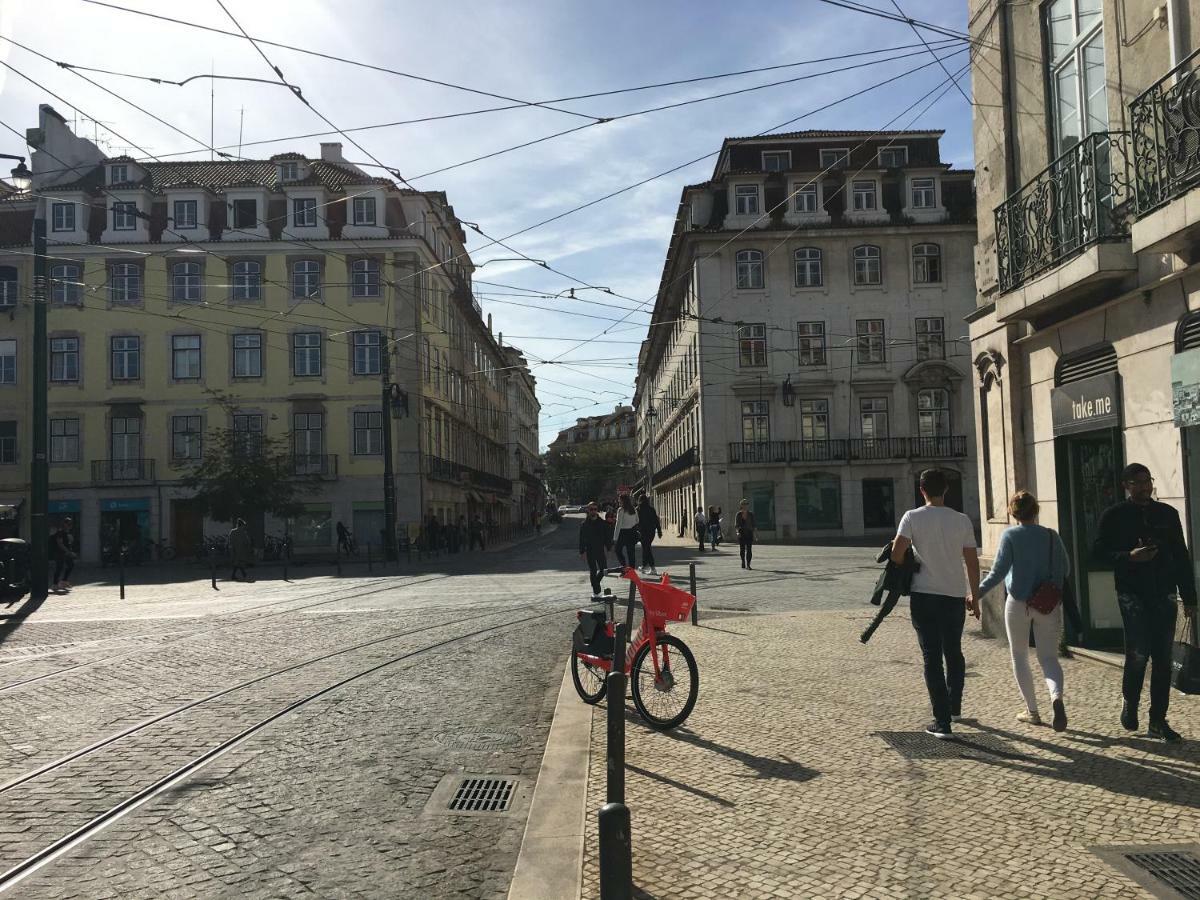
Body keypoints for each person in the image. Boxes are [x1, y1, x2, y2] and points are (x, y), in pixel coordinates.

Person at [1094, 463, 1197, 742]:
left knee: (1163, 658)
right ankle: (1130, 701)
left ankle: (1158, 720)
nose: (1144, 487)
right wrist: (1129, 556)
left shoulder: (1167, 514)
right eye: (1137, 482)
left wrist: (1190, 597)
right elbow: (1098, 553)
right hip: (1132, 593)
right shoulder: (1114, 515)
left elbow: (1181, 555)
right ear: (1126, 485)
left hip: (1164, 591)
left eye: (1147, 481)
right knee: (1138, 654)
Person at [890, 468, 980, 740]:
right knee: (953, 651)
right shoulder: (961, 520)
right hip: (954, 595)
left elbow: (896, 554)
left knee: (932, 656)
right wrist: (975, 597)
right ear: (946, 489)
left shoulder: (912, 517)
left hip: (924, 594)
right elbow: (972, 562)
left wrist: (910, 559)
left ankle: (942, 722)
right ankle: (954, 707)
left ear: (922, 490)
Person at [978, 491, 1071, 731]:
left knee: (1019, 656)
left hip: (1018, 603)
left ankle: (1032, 711)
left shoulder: (1010, 535)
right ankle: (1056, 698)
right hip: (1047, 604)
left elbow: (998, 572)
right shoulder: (1051, 536)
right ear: (1036, 510)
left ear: (1012, 513)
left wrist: (976, 593)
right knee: (1049, 658)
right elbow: (1066, 569)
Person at [579, 501, 612, 600]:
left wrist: (609, 548)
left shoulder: (602, 523)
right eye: (591, 509)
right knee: (593, 570)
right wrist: (582, 552)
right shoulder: (584, 524)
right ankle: (596, 592)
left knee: (603, 569)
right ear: (588, 510)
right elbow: (581, 539)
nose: (593, 511)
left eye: (595, 509)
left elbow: (607, 537)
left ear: (597, 510)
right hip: (590, 550)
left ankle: (595, 583)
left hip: (600, 549)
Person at [637, 493, 663, 576]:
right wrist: (659, 531)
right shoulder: (651, 509)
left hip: (643, 532)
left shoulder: (638, 509)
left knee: (646, 549)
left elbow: (636, 522)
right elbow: (656, 521)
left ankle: (652, 568)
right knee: (646, 548)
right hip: (651, 532)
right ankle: (644, 566)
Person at [613, 494, 639, 570]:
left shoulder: (621, 510)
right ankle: (632, 571)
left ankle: (624, 566)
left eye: (619, 500)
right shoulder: (633, 509)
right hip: (631, 532)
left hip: (622, 533)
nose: (618, 501)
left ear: (622, 501)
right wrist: (631, 524)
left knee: (617, 550)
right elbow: (637, 520)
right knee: (631, 553)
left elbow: (618, 524)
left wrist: (615, 538)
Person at [51, 517, 76, 591]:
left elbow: (68, 543)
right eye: (68, 524)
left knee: (71, 565)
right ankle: (55, 584)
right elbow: (60, 543)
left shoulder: (68, 533)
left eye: (71, 524)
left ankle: (64, 581)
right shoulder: (60, 532)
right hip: (59, 553)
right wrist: (68, 552)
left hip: (66, 552)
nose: (70, 525)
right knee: (59, 567)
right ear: (64, 524)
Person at [228, 518, 254, 582]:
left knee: (237, 562)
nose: (244, 527)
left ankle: (240, 574)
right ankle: (241, 574)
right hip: (241, 550)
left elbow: (230, 541)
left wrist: (231, 548)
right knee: (238, 562)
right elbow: (247, 542)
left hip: (234, 549)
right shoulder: (243, 532)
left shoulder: (232, 531)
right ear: (241, 525)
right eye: (243, 526)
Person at [735, 500, 756, 569]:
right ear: (741, 505)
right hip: (741, 533)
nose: (745, 506)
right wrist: (737, 532)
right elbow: (736, 525)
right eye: (743, 504)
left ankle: (748, 564)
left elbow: (754, 525)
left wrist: (755, 534)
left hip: (749, 533)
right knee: (742, 549)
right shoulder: (738, 514)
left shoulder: (751, 514)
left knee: (749, 549)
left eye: (746, 504)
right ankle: (743, 561)